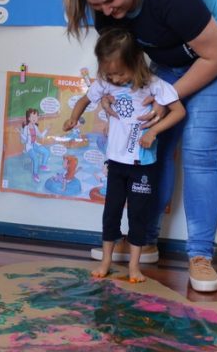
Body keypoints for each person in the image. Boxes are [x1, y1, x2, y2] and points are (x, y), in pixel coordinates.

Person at [63, 0, 217, 292]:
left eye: (111, 1)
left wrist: (168, 97)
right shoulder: (107, 12)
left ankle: (200, 256)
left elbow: (216, 55)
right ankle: (143, 239)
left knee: (199, 149)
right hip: (173, 57)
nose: (107, 12)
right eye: (97, 6)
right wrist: (110, 93)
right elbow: (123, 62)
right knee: (151, 144)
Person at [63, 28, 185, 283]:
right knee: (111, 213)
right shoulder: (106, 84)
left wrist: (154, 132)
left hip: (142, 164)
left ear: (136, 62)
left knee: (138, 215)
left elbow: (178, 112)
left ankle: (134, 266)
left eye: (120, 73)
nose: (115, 79)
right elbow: (84, 101)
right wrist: (73, 118)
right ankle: (106, 261)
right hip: (116, 163)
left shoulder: (154, 86)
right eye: (109, 74)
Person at [19, 108, 51, 183]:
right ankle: (35, 174)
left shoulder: (35, 127)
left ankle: (43, 165)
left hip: (35, 144)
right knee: (35, 159)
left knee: (46, 152)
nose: (35, 118)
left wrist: (46, 130)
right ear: (28, 118)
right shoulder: (26, 128)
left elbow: (41, 136)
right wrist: (20, 133)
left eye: (36, 117)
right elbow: (25, 140)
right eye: (33, 117)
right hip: (29, 147)